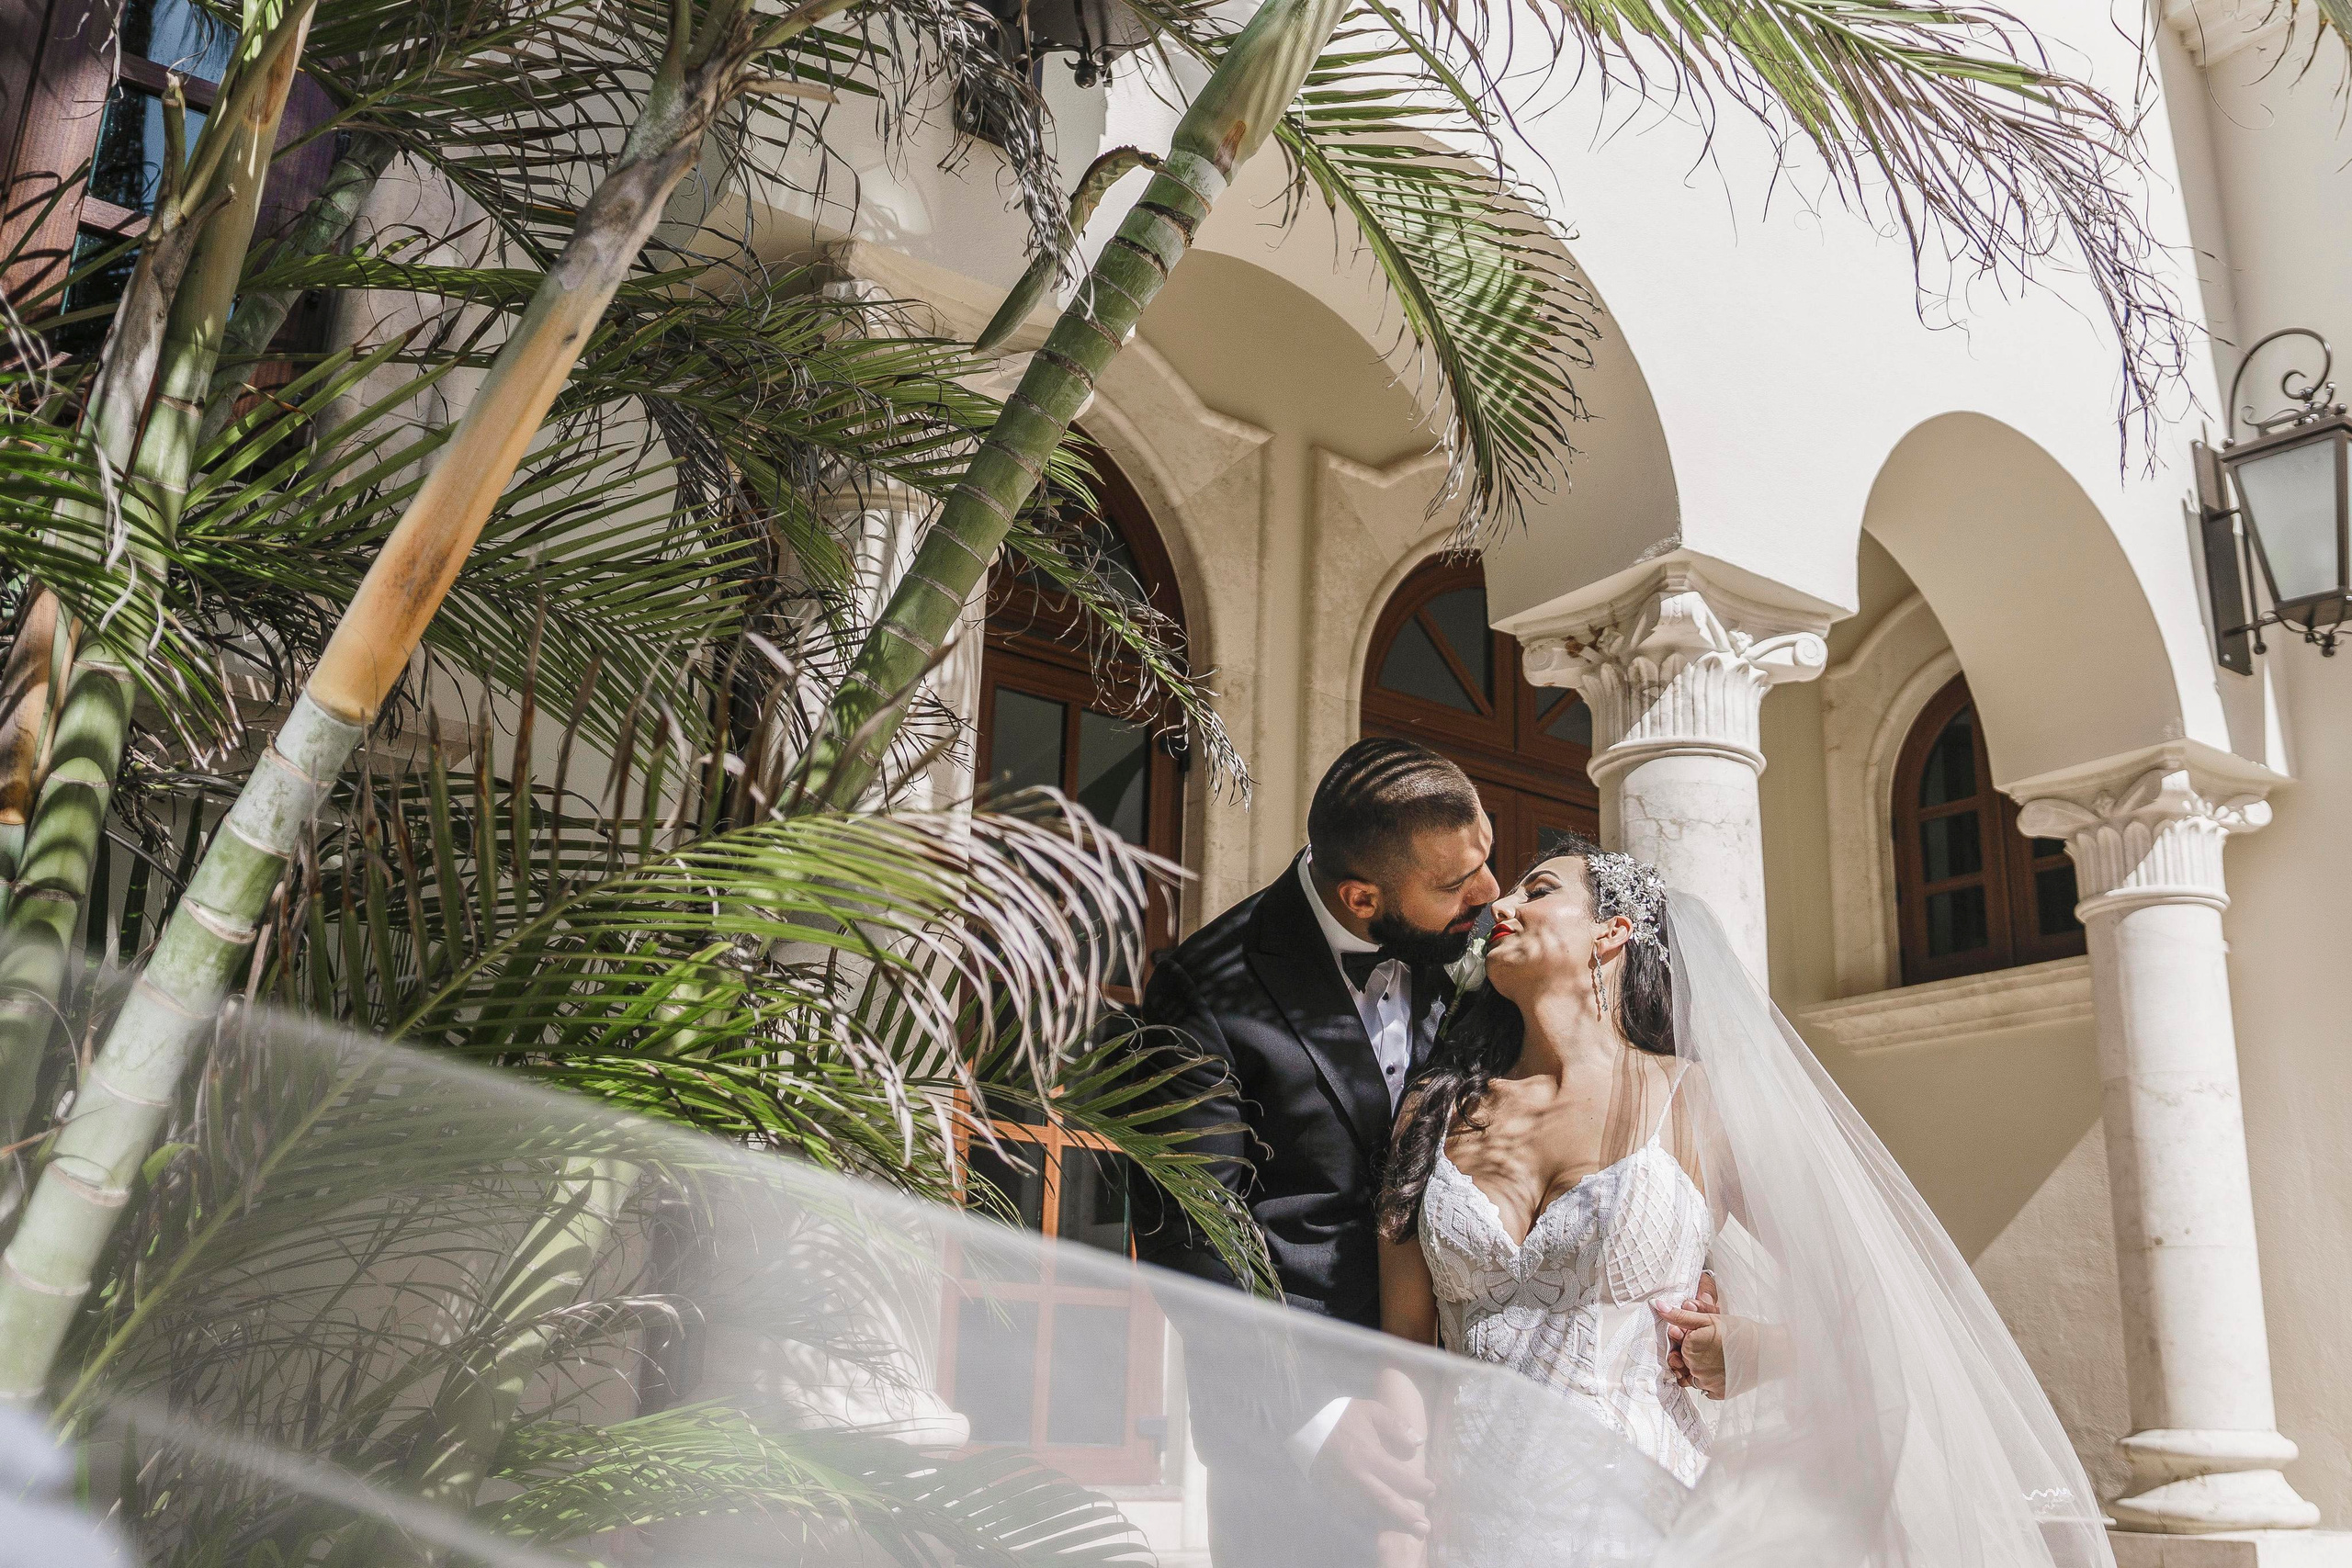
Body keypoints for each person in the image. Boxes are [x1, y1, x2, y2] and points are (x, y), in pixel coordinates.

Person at [1369, 837, 2117, 1568]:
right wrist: (1397, 1533)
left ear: (1613, 930)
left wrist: (1755, 1349)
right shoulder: (1436, 1110)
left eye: (1537, 891)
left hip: (1648, 1521)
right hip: (1466, 1521)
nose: (1499, 904)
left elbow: (1868, 1304)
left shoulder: (1695, 1102)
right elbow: (1402, 1348)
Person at [1128, 737, 1499, 1567]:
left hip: (1474, 1425)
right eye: (1456, 883)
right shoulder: (1203, 986)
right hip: (1297, 1446)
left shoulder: (1474, 956)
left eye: (1488, 856)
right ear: (1362, 897)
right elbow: (1188, 1234)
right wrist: (1314, 1422)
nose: (1491, 892)